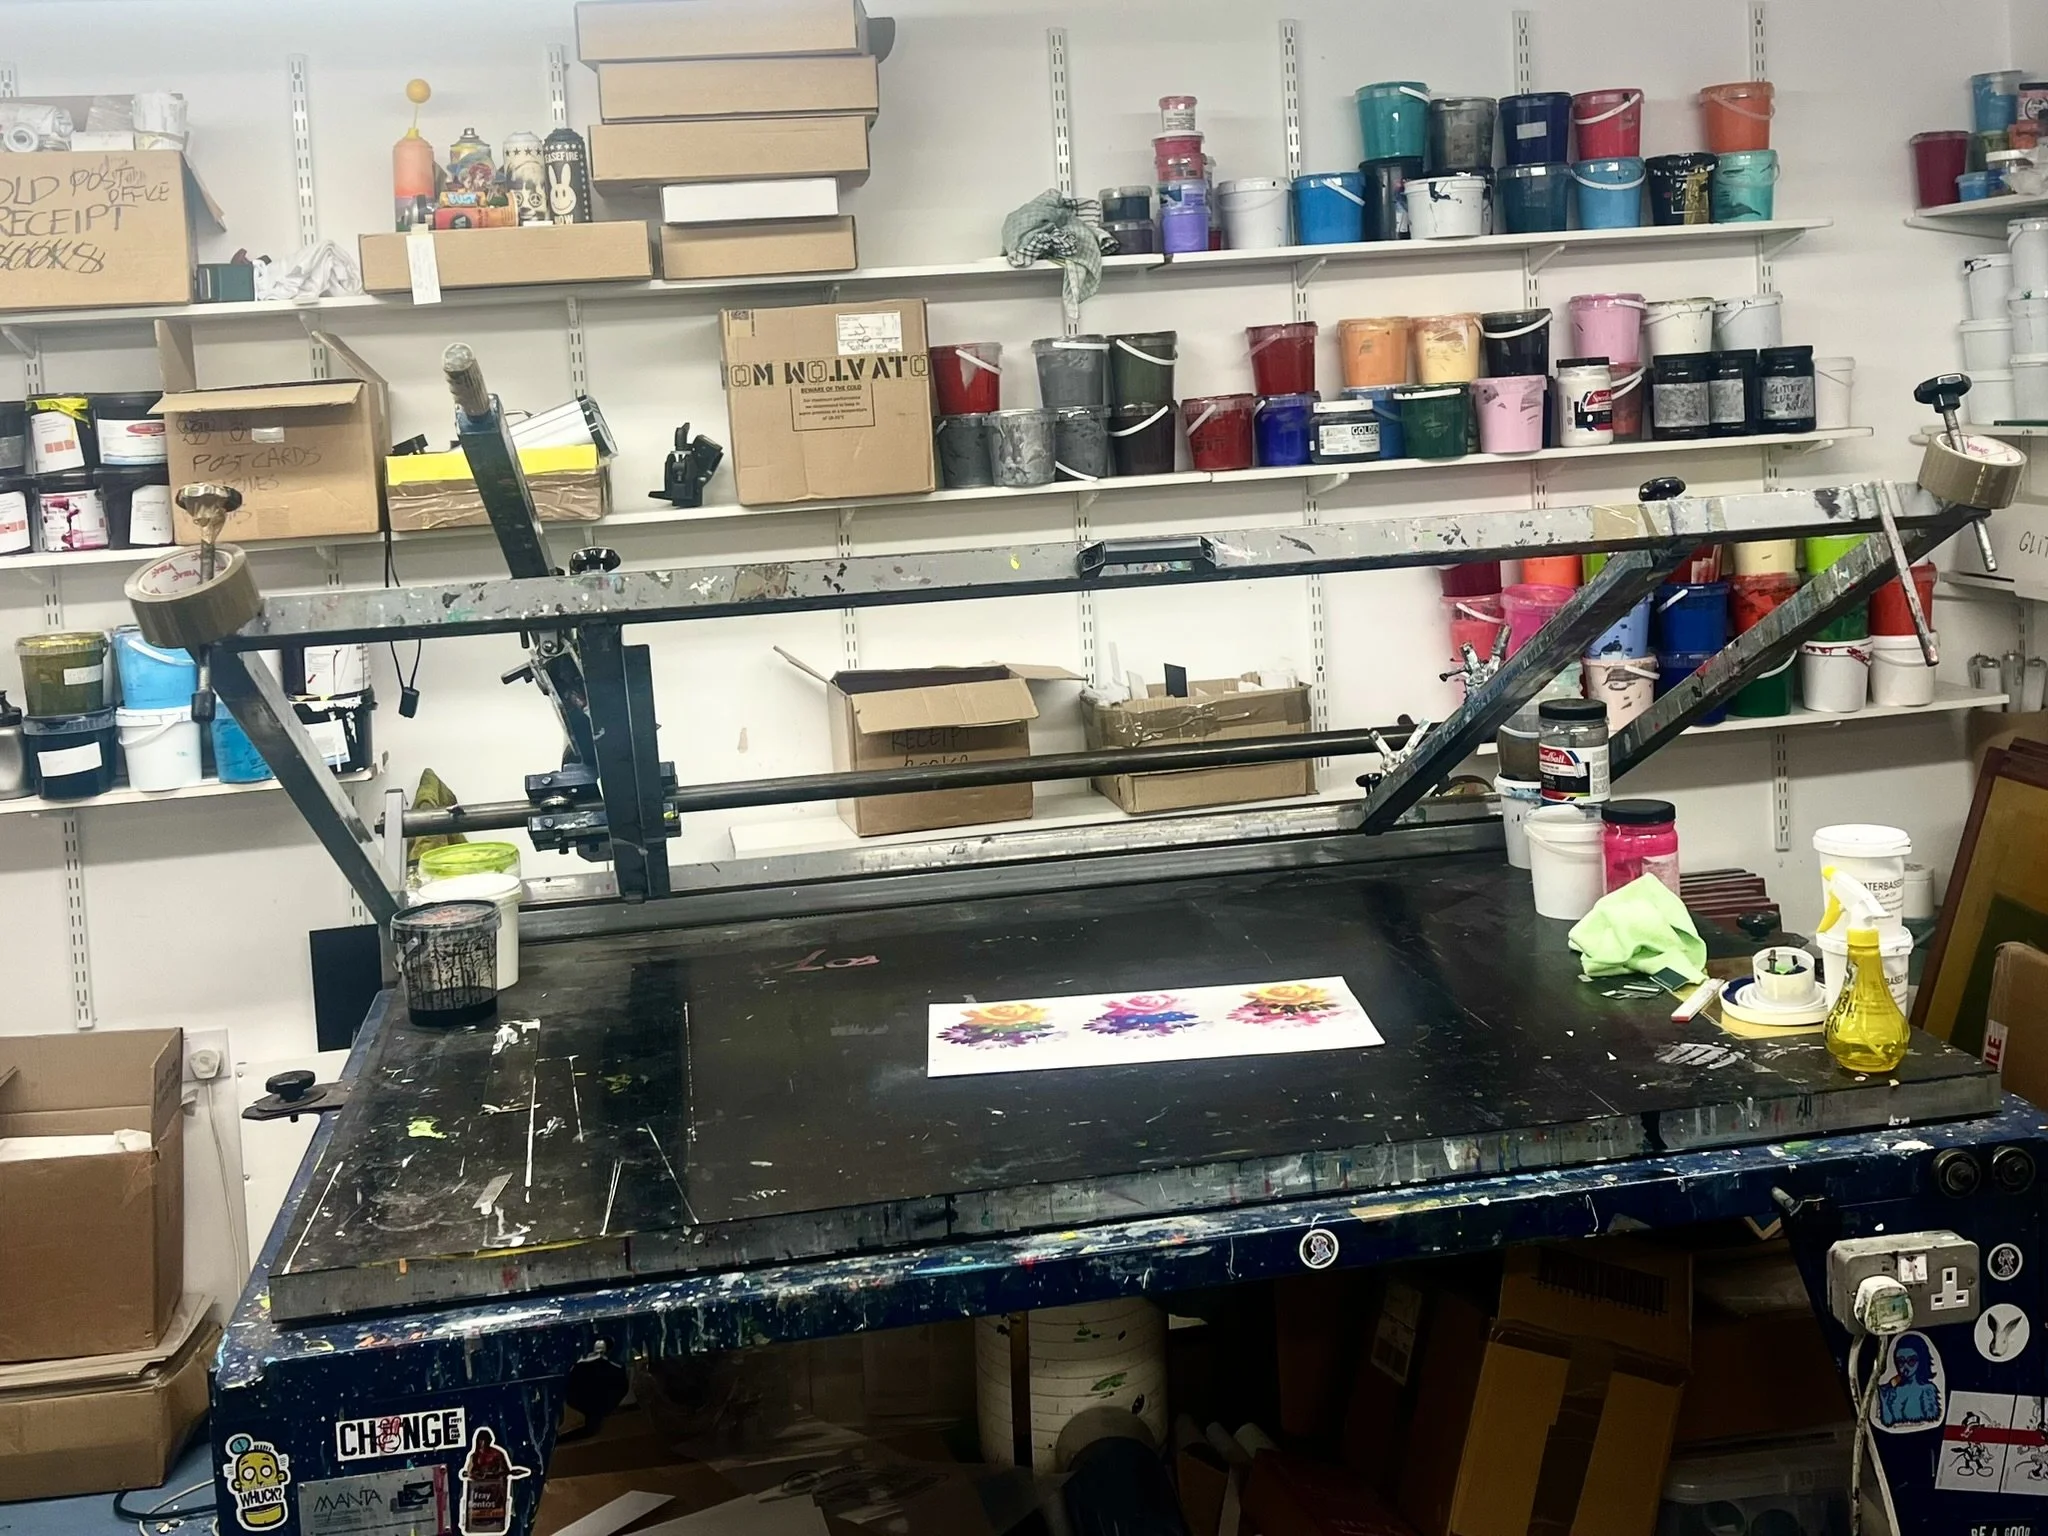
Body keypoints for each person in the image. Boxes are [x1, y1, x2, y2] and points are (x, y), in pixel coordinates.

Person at [1878, 1335, 1942, 1429]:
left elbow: (1932, 1420)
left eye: (1911, 1361)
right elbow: (1888, 1422)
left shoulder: (1927, 1389)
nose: (1905, 1367)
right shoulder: (1894, 1391)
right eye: (1901, 1361)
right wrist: (1884, 1399)